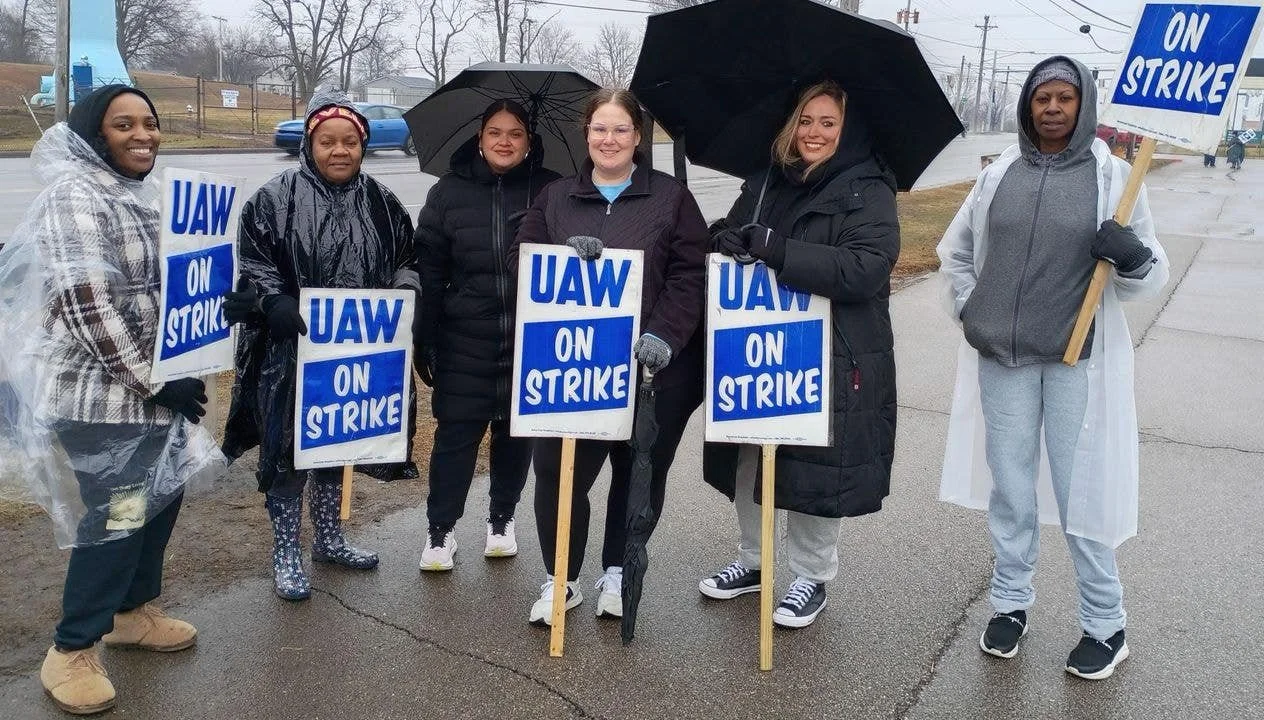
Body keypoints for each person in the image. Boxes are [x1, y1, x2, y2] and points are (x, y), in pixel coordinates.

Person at [937, 57, 1169, 680]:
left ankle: (1105, 622)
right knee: (1011, 488)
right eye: (1043, 97)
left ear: (1083, 104)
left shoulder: (1115, 178)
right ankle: (1011, 604)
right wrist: (971, 309)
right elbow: (955, 252)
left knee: (1079, 495)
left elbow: (1153, 274)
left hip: (1077, 363)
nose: (1053, 108)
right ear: (1028, 105)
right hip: (1003, 360)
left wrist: (1134, 257)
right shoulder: (998, 176)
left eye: (1066, 97)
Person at [0, 85, 219, 715]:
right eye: (124, 125)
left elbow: (175, 281)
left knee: (162, 497)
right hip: (100, 400)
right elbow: (85, 302)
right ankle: (71, 648)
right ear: (95, 134)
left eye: (150, 122)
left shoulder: (144, 196)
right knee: (121, 514)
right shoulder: (75, 194)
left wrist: (220, 307)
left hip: (158, 392)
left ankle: (132, 612)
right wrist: (157, 380)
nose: (143, 135)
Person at [699, 80, 900, 629]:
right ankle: (754, 561)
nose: (814, 133)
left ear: (847, 128)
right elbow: (737, 230)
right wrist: (726, 240)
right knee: (750, 456)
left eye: (827, 122)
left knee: (816, 467)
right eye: (805, 120)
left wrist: (780, 250)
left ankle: (811, 576)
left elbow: (866, 269)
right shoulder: (766, 181)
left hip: (834, 350)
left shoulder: (869, 188)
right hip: (758, 347)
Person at [509, 88, 709, 624]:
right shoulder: (555, 197)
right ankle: (561, 578)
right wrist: (562, 256)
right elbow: (522, 261)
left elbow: (691, 274)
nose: (609, 139)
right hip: (573, 368)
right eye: (600, 128)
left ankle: (618, 571)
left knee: (636, 472)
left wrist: (665, 334)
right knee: (556, 470)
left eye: (621, 129)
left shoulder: (671, 199)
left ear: (638, 137)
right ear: (586, 133)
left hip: (653, 368)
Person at [222, 91, 420, 601]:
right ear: (310, 144)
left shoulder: (383, 202)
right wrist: (273, 302)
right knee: (289, 450)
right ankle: (287, 550)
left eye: (349, 141)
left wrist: (404, 289)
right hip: (289, 352)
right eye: (327, 141)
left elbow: (408, 258)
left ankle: (330, 539)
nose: (339, 150)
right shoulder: (274, 198)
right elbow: (253, 262)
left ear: (362, 144)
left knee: (336, 444)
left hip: (357, 351)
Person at [414, 100, 560, 570]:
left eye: (515, 133)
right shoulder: (448, 193)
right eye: (495, 132)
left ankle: (501, 519)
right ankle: (441, 531)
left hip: (530, 337)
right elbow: (430, 268)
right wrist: (425, 334)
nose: (504, 141)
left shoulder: (552, 190)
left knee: (516, 436)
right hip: (465, 336)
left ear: (529, 142)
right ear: (479, 139)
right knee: (456, 435)